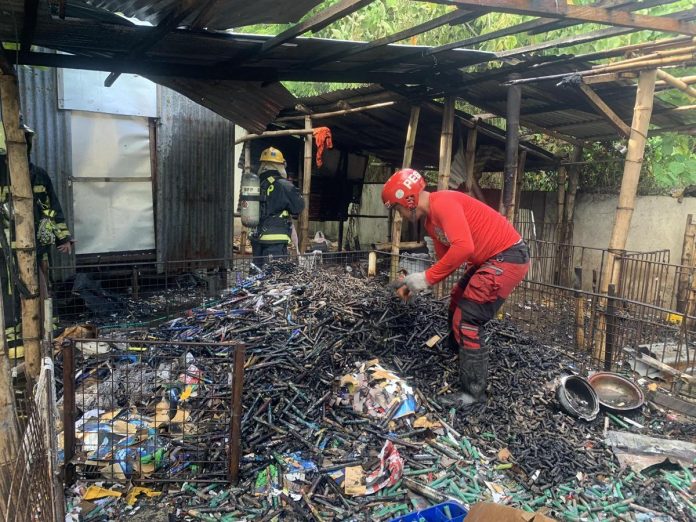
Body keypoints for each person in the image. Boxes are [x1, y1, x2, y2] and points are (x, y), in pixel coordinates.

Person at [382, 168, 530, 404]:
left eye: (396, 208)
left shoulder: (443, 203)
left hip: (508, 256)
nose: (398, 214)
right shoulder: (431, 223)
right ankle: (459, 356)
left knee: (468, 319)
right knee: (457, 298)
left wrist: (426, 278)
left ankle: (473, 393)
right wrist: (412, 284)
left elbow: (464, 248)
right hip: (491, 259)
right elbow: (446, 262)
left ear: (407, 199)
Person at [0, 119, 73, 329]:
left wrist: (63, 237)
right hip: (5, 250)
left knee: (42, 286)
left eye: (25, 142)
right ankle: (15, 332)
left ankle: (46, 328)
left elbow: (52, 208)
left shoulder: (38, 174)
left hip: (38, 247)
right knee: (10, 288)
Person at [250, 147, 304, 267]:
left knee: (257, 275)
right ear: (279, 165)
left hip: (257, 237)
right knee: (273, 277)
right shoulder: (284, 185)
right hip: (275, 240)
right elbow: (298, 208)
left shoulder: (255, 184)